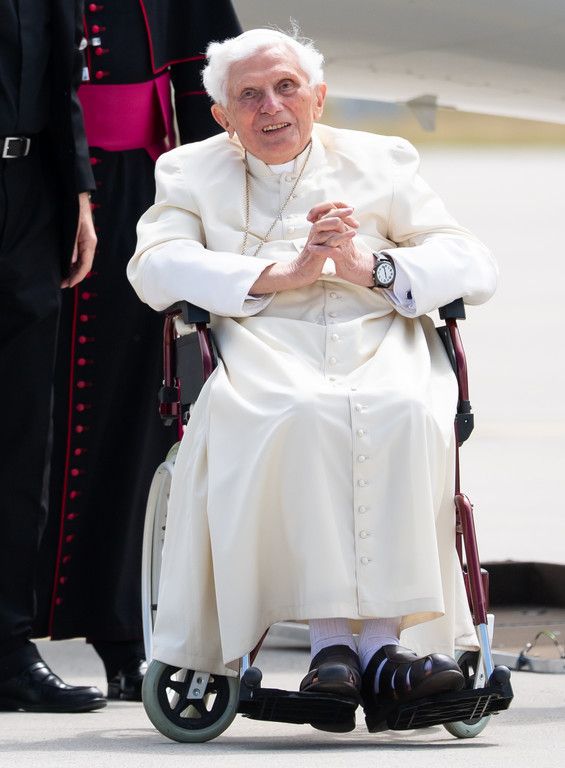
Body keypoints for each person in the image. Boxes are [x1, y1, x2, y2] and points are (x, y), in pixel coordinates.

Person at [128, 28, 498, 731]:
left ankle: (379, 651)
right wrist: (281, 273)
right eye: (249, 96)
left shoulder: (381, 160)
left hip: (379, 339)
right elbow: (154, 266)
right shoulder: (188, 171)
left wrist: (371, 267)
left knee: (403, 409)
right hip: (262, 345)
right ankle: (336, 645)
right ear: (223, 116)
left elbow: (472, 261)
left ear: (318, 97)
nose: (271, 107)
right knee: (300, 411)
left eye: (286, 88)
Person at [33, 0, 242, 702]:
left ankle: (122, 627)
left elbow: (209, 87)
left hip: (132, 204)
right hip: (27, 187)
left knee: (130, 421)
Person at [0, 0, 104, 711]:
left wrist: (80, 196)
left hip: (31, 198)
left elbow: (60, 84)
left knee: (20, 442)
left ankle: (7, 650)